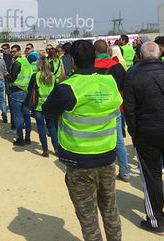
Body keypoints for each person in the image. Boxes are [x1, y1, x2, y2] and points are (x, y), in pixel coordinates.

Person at [43, 40, 123, 241]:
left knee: (88, 216)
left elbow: (48, 112)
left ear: (72, 61)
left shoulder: (68, 87)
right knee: (110, 209)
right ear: (95, 58)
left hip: (80, 162)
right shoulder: (109, 82)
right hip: (106, 156)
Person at [123, 41, 164, 235]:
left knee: (151, 176)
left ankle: (157, 221)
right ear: (160, 54)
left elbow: (130, 109)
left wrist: (134, 132)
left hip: (147, 131)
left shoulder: (133, 75)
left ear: (141, 56)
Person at [94, 40, 130, 182]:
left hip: (96, 107)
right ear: (107, 50)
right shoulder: (118, 66)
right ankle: (125, 172)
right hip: (114, 106)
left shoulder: (91, 67)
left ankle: (99, 173)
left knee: (97, 140)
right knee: (119, 141)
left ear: (95, 52)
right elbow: (123, 87)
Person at [26, 57, 58, 157]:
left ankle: (45, 150)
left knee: (41, 128)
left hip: (39, 106)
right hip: (50, 105)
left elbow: (29, 88)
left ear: (38, 65)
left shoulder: (36, 76)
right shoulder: (53, 76)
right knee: (52, 127)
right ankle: (56, 149)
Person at [7, 44, 33, 146]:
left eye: (14, 52)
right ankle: (28, 138)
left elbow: (12, 78)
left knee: (18, 116)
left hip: (17, 91)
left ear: (19, 51)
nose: (12, 54)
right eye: (11, 52)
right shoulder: (27, 62)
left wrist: (6, 75)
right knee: (26, 115)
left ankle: (20, 138)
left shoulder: (17, 63)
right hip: (26, 91)